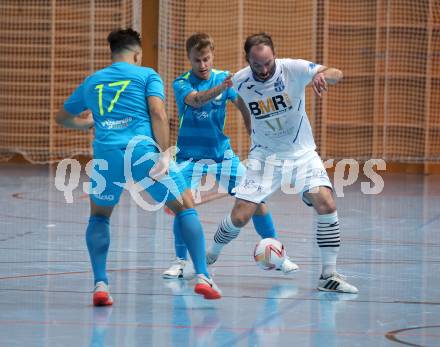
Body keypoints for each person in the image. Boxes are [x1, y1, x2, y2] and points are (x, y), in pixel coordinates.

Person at [56, 28, 221, 304]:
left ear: (113, 53)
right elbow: (157, 112)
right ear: (137, 53)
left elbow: (61, 117)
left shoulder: (92, 82)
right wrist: (166, 153)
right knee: (185, 205)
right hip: (142, 153)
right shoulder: (146, 74)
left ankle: (100, 284)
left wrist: (85, 123)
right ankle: (204, 276)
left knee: (99, 216)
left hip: (107, 156)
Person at [206, 32, 358, 294]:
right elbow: (236, 99)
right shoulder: (240, 80)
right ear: (248, 61)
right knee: (240, 216)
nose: (264, 70)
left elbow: (338, 73)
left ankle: (328, 275)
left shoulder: (293, 69)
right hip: (265, 156)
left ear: (274, 55)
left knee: (326, 201)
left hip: (301, 153)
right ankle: (206, 259)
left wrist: (323, 75)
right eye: (257, 65)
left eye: (268, 63)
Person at [162, 32, 298, 279]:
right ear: (189, 60)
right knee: (182, 207)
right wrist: (222, 87)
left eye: (206, 59)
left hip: (222, 156)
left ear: (212, 55)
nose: (202, 65)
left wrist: (252, 130)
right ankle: (180, 261)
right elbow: (196, 101)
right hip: (188, 158)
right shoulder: (181, 83)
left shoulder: (224, 80)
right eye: (197, 61)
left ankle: (279, 254)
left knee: (256, 201)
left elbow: (243, 103)